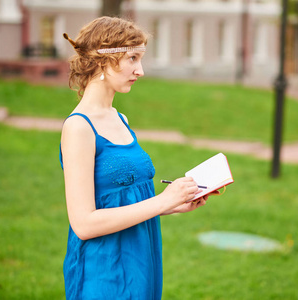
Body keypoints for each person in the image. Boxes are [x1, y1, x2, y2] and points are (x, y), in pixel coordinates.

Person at [60, 16, 215, 300]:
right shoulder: (79, 127)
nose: (140, 70)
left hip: (141, 262)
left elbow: (123, 199)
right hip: (104, 272)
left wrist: (173, 202)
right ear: (103, 61)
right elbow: (83, 223)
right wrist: (161, 201)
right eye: (132, 58)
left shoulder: (121, 118)